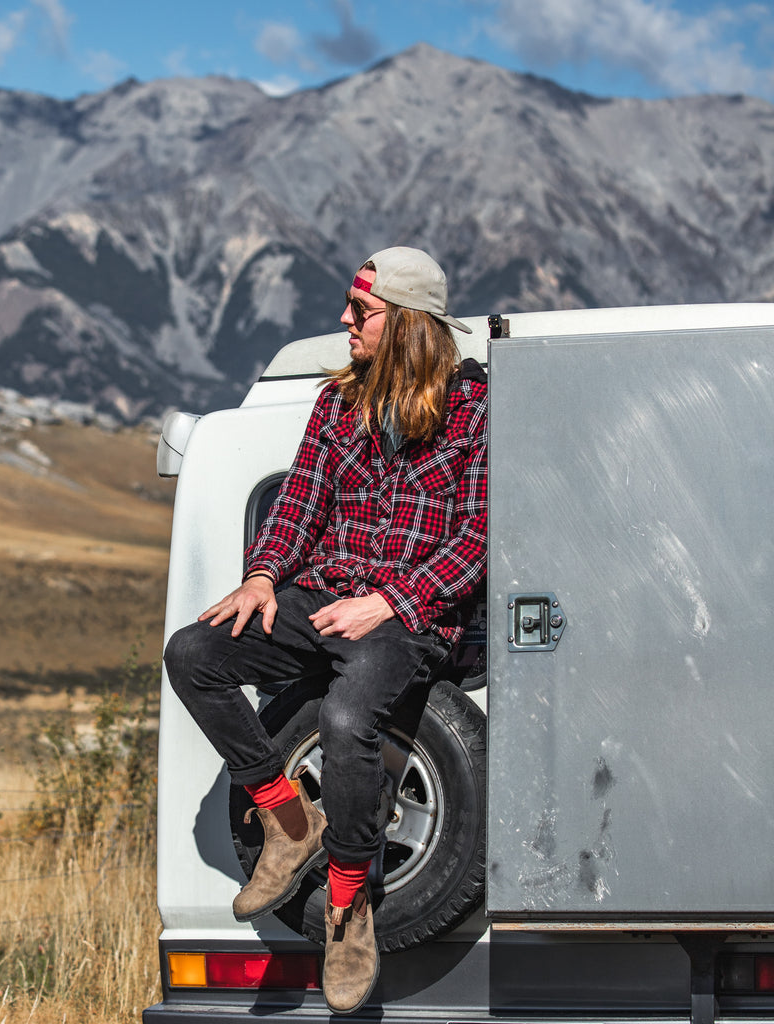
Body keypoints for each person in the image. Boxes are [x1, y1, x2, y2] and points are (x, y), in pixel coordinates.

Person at [164, 246, 487, 1015]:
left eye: (361, 311)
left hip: (412, 620)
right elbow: (298, 507)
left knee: (346, 718)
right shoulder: (337, 402)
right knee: (194, 653)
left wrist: (393, 601)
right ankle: (287, 817)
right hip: (324, 598)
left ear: (406, 323)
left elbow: (476, 536)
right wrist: (264, 576)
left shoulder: (473, 411)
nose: (345, 321)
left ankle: (349, 906)